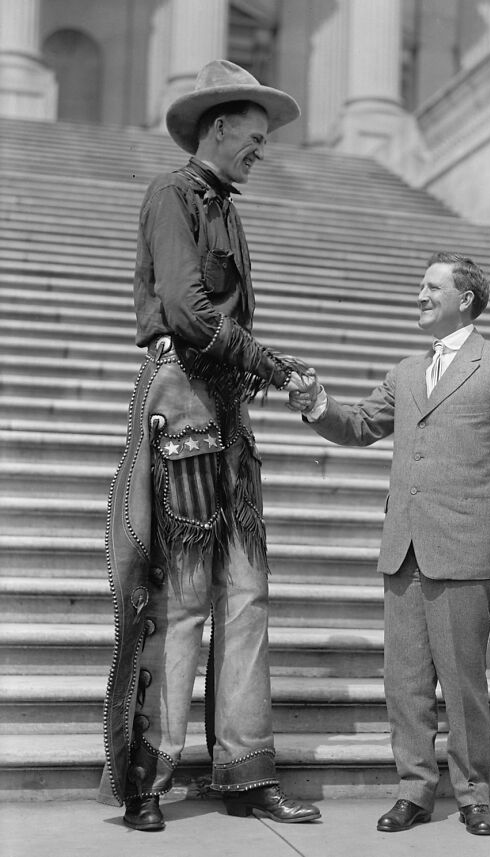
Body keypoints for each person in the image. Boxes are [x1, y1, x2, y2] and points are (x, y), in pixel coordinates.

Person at [97, 60, 321, 831]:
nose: (262, 150)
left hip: (225, 413)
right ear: (218, 127)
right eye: (254, 138)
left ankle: (246, 772)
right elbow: (189, 314)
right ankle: (147, 781)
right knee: (182, 600)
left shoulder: (228, 207)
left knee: (247, 596)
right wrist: (270, 363)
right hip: (185, 405)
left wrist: (257, 368)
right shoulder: (172, 195)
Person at [289, 251, 490, 836]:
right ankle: (414, 790)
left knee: (462, 683)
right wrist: (317, 404)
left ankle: (473, 793)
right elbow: (358, 426)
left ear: (466, 300)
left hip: (465, 544)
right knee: (403, 681)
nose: (420, 295)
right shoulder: (406, 371)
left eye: (432, 287)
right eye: (419, 286)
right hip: (403, 545)